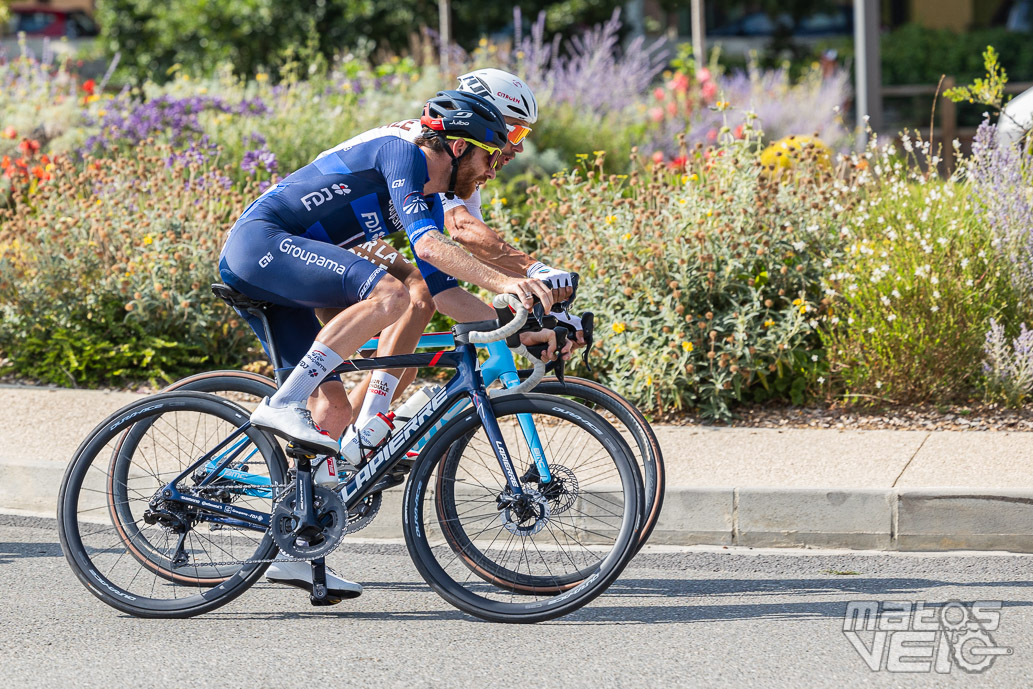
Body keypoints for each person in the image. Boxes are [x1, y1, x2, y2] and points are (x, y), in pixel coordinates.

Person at [218, 89, 558, 602]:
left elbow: (442, 293)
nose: (493, 172)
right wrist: (506, 282)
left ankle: (297, 553)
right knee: (389, 293)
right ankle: (281, 403)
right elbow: (427, 248)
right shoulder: (403, 153)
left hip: (288, 270)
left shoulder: (425, 196)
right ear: (461, 147)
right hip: (260, 244)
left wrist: (519, 324)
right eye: (491, 156)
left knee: (331, 410)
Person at [332, 69, 584, 439]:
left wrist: (527, 316)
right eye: (513, 132)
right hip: (322, 233)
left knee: (405, 367)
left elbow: (473, 247)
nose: (518, 148)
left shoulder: (465, 159)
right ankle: (359, 428)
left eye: (523, 135)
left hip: (350, 235)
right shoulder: (441, 151)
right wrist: (535, 273)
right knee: (418, 291)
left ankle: (348, 441)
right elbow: (462, 229)